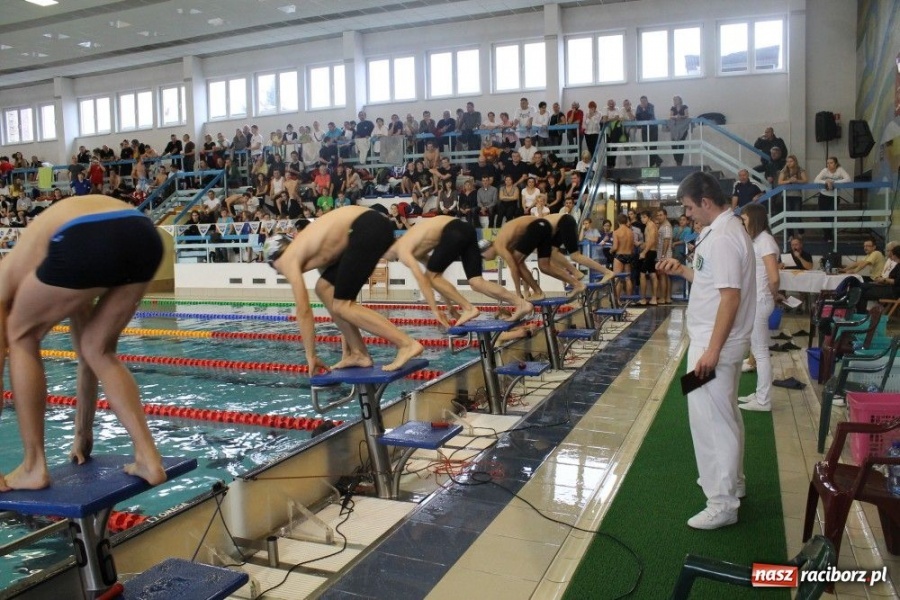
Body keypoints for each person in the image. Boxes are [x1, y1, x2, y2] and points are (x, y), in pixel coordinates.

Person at [0, 195, 167, 491]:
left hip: (83, 234)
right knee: (97, 348)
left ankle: (33, 466)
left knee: (20, 335)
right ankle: (149, 459)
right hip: (143, 233)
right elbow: (85, 358)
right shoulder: (48, 266)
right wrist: (82, 432)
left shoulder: (5, 280)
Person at [657, 171, 755, 530]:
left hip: (714, 345)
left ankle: (722, 502)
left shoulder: (725, 237)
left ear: (706, 202)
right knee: (721, 414)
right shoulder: (718, 233)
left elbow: (730, 298)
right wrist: (683, 269)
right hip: (708, 340)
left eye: (688, 207)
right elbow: (715, 284)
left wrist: (711, 351)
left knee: (711, 421)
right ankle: (731, 482)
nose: (687, 215)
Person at [264, 206, 424, 372]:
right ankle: (358, 353)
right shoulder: (315, 250)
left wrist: (311, 355)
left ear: (274, 259)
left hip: (366, 226)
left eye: (274, 268)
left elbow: (303, 311)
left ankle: (407, 344)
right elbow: (338, 296)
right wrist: (346, 349)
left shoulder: (286, 259)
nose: (278, 272)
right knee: (324, 289)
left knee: (342, 305)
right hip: (369, 225)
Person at [385, 216, 533, 329]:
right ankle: (521, 304)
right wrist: (449, 306)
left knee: (431, 276)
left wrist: (435, 311)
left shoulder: (403, 249)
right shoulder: (413, 246)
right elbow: (436, 277)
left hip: (453, 230)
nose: (384, 259)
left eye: (381, 256)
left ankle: (468, 308)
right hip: (466, 229)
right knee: (476, 282)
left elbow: (424, 280)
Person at [481, 213, 615, 301]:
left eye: (482, 256)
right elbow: (521, 266)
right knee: (545, 263)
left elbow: (514, 268)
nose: (484, 259)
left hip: (556, 223)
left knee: (574, 255)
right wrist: (524, 291)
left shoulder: (499, 244)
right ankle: (576, 279)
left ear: (487, 248)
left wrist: (518, 294)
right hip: (545, 228)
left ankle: (606, 272)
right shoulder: (509, 241)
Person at [738, 203, 780, 413]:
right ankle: (759, 394)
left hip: (761, 300)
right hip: (757, 299)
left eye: (744, 219)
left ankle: (764, 400)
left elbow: (773, 276)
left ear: (753, 219)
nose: (742, 223)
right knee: (757, 350)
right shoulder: (757, 240)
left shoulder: (765, 241)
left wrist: (774, 294)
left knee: (761, 353)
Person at [813, 156, 852, 244]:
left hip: (834, 197)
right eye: (828, 163)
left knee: (830, 217)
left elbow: (848, 179)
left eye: (831, 163)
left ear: (836, 164)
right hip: (823, 196)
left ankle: (829, 236)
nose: (829, 165)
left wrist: (834, 182)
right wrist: (826, 181)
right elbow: (816, 180)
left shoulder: (840, 170)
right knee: (823, 217)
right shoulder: (824, 170)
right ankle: (827, 235)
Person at [777, 154, 808, 236]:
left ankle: (800, 232)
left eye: (791, 161)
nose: (789, 163)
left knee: (797, 215)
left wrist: (797, 180)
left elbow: (805, 180)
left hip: (797, 195)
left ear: (795, 161)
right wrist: (789, 181)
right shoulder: (784, 170)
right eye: (787, 161)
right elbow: (779, 182)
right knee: (788, 215)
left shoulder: (800, 169)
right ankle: (790, 235)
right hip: (786, 195)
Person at [669, 96, 690, 166]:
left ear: (680, 100)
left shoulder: (684, 107)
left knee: (681, 144)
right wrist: (675, 117)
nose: (675, 101)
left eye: (676, 99)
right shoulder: (673, 108)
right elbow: (670, 116)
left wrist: (680, 117)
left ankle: (680, 162)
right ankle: (676, 160)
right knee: (674, 145)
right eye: (674, 100)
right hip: (675, 129)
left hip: (683, 128)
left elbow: (687, 115)